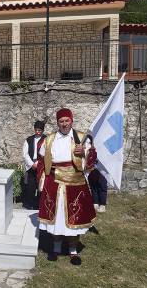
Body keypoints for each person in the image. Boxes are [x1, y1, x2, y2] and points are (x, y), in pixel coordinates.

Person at [38, 108, 97, 265]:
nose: (64, 124)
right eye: (61, 121)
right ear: (57, 123)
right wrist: (42, 180)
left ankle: (73, 251)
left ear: (72, 121)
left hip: (75, 183)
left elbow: (92, 161)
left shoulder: (82, 138)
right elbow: (42, 160)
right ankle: (56, 248)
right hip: (54, 183)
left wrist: (83, 152)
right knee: (56, 218)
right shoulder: (49, 139)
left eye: (67, 121)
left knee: (74, 218)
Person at [22, 120, 46, 209]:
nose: (37, 132)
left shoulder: (46, 139)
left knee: (41, 185)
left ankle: (40, 205)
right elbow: (25, 154)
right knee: (30, 186)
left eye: (39, 130)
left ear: (43, 130)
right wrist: (32, 164)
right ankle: (29, 204)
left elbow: (47, 153)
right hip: (31, 165)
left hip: (42, 166)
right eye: (36, 130)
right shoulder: (29, 140)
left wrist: (39, 163)